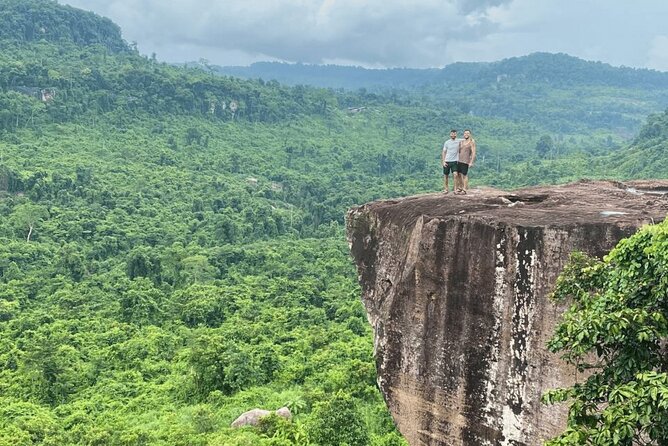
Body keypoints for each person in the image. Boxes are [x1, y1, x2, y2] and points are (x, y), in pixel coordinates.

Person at [456, 129, 476, 194]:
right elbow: (459, 151)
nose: (466, 134)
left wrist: (471, 162)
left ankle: (464, 189)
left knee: (464, 175)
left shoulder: (471, 142)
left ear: (470, 134)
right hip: (459, 160)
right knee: (458, 174)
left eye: (467, 133)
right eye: (465, 133)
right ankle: (460, 187)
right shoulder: (461, 142)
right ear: (463, 134)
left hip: (465, 161)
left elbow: (473, 153)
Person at [441, 129, 461, 194]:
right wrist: (443, 161)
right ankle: (446, 189)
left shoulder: (459, 141)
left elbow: (467, 140)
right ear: (450, 134)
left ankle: (455, 189)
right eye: (452, 134)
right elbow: (444, 152)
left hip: (455, 161)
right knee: (446, 175)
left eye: (454, 133)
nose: (453, 135)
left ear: (456, 134)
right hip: (447, 161)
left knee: (455, 175)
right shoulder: (447, 142)